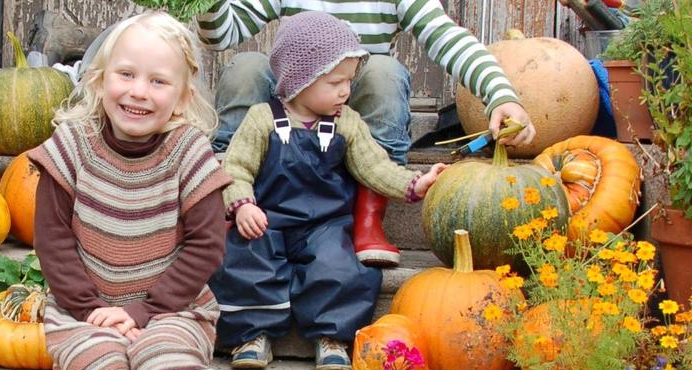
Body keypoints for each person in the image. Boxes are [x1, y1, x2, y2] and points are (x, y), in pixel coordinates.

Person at [28, 10, 266, 370]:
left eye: (159, 81)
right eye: (127, 75)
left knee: (161, 356)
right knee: (97, 360)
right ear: (99, 79)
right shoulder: (69, 149)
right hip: (83, 309)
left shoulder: (190, 154)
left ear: (181, 97)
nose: (139, 91)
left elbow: (206, 245)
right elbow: (54, 242)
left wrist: (145, 312)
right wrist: (92, 311)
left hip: (174, 308)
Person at [195, 0, 537, 268]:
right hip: (290, 104)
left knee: (384, 72)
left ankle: (368, 216)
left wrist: (500, 95)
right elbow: (221, 34)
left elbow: (448, 40)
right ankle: (226, 202)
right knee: (246, 68)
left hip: (350, 114)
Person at [211, 13, 447, 370]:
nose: (345, 92)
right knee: (245, 262)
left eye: (349, 82)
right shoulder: (261, 118)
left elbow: (374, 167)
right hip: (267, 219)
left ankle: (332, 337)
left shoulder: (346, 122)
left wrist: (414, 184)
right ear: (299, 80)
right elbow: (237, 167)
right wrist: (242, 205)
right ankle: (251, 335)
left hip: (324, 223)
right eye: (336, 82)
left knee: (338, 266)